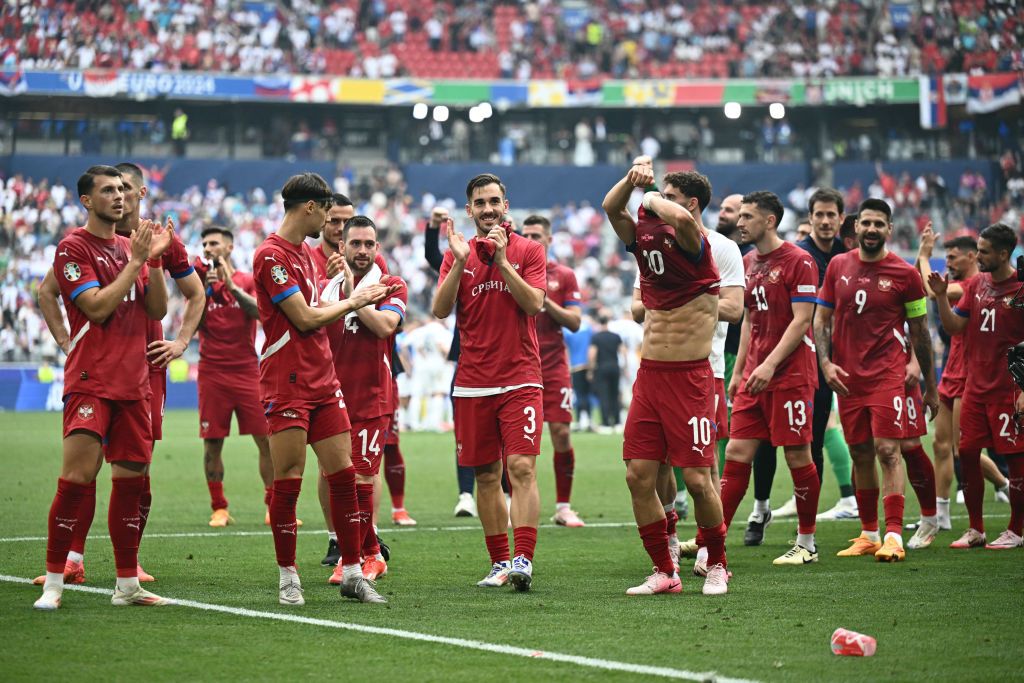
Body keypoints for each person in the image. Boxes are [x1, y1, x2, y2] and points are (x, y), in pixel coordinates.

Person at [34, 161, 204, 586]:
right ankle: (72, 558)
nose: (120, 196)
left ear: (141, 194)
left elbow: (193, 295)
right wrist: (66, 342)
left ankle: (129, 567)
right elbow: (47, 291)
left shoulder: (159, 239)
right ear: (93, 198)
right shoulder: (84, 245)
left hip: (147, 370)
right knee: (85, 469)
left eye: (126, 189)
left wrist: (181, 342)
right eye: (111, 188)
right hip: (98, 367)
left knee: (135, 471)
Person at [253, 172, 395, 605]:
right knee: (289, 481)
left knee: (345, 476)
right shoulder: (271, 256)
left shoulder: (306, 257)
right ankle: (287, 576)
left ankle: (353, 572)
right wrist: (354, 300)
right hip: (287, 383)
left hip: (323, 381)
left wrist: (343, 291)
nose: (332, 224)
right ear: (309, 208)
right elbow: (304, 318)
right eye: (327, 212)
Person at [603, 164, 729, 596]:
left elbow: (679, 219)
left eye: (672, 197)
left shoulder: (697, 243)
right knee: (638, 476)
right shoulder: (649, 246)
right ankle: (663, 570)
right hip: (650, 375)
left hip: (691, 378)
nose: (653, 209)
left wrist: (652, 194)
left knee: (697, 480)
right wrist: (632, 180)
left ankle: (718, 564)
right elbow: (610, 207)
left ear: (690, 204)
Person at [432, 173, 546, 592]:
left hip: (520, 378)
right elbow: (440, 310)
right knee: (485, 475)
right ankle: (499, 561)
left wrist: (500, 262)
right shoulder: (456, 254)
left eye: (494, 201)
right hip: (473, 382)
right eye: (480, 203)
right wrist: (460, 261)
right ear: (469, 210)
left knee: (521, 468)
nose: (488, 209)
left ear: (505, 203)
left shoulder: (529, 250)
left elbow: (534, 303)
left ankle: (523, 558)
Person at [815, 198, 938, 562]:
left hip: (888, 375)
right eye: (866, 223)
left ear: (889, 228)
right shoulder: (838, 266)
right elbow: (822, 320)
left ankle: (894, 535)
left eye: (879, 224)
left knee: (889, 450)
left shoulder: (905, 274)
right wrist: (825, 363)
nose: (871, 229)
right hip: (847, 377)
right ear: (855, 228)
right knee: (860, 452)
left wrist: (929, 385)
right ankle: (868, 533)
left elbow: (921, 332)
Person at [721, 191, 821, 565]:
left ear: (769, 221)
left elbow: (802, 320)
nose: (740, 222)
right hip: (754, 375)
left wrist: (768, 366)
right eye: (740, 216)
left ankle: (807, 544)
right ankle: (710, 540)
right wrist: (740, 369)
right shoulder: (747, 261)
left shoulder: (800, 260)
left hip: (791, 375)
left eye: (747, 216)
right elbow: (749, 319)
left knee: (797, 454)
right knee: (736, 451)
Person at [757, 189, 857, 533]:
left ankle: (862, 510)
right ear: (810, 218)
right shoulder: (800, 256)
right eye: (820, 214)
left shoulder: (850, 256)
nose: (826, 221)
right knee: (810, 438)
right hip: (812, 359)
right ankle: (802, 520)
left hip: (854, 357)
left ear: (841, 219)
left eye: (832, 215)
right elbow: (805, 318)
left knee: (868, 439)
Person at [324, 215, 408, 583]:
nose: (362, 250)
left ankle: (355, 558)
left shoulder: (391, 285)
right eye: (355, 243)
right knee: (337, 478)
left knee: (360, 476)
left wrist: (355, 299)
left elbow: (385, 326)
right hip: (331, 397)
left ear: (378, 249)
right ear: (341, 247)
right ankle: (371, 552)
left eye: (369, 244)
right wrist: (343, 292)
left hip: (373, 398)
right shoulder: (326, 289)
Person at [930, 223, 1024, 550]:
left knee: (1016, 459)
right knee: (967, 453)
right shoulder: (976, 284)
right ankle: (976, 529)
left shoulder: (1021, 289)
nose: (979, 256)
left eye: (984, 251)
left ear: (1002, 253)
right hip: (975, 387)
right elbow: (956, 326)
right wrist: (942, 297)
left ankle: (1016, 529)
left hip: (1009, 391)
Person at [917, 230, 1009, 532]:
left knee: (962, 448)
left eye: (954, 257)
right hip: (952, 369)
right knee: (940, 444)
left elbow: (932, 290)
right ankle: (941, 516)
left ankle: (1006, 484)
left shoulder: (973, 285)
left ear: (973, 256)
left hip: (972, 374)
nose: (950, 263)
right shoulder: (970, 286)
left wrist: (924, 256)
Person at [193, 227, 273, 528]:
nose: (208, 248)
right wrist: (204, 291)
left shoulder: (247, 280)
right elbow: (195, 322)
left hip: (247, 371)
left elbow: (260, 313)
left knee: (266, 440)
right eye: (205, 244)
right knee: (212, 443)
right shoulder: (198, 282)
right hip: (211, 372)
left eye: (214, 243)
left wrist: (229, 286)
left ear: (228, 246)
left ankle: (272, 504)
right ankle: (219, 508)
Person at [521, 215, 587, 527]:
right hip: (520, 363)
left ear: (548, 240)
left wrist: (546, 302)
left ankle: (563, 506)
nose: (531, 239)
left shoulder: (564, 275)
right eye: (526, 235)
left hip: (554, 364)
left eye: (536, 235)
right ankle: (515, 501)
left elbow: (575, 322)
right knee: (519, 440)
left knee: (560, 433)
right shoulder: (512, 272)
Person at [424, 205, 479, 518]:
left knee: (502, 436)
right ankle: (465, 495)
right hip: (468, 357)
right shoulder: (463, 261)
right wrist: (433, 228)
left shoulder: (513, 262)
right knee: (465, 432)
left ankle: (508, 493)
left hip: (505, 359)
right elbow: (435, 258)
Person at [588, 312, 623, 431]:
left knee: (604, 395)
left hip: (602, 367)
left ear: (599, 322)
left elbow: (592, 354)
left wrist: (591, 370)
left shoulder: (596, 337)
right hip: (614, 366)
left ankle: (606, 423)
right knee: (615, 395)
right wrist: (625, 368)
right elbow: (623, 351)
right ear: (608, 322)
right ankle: (618, 423)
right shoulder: (615, 336)